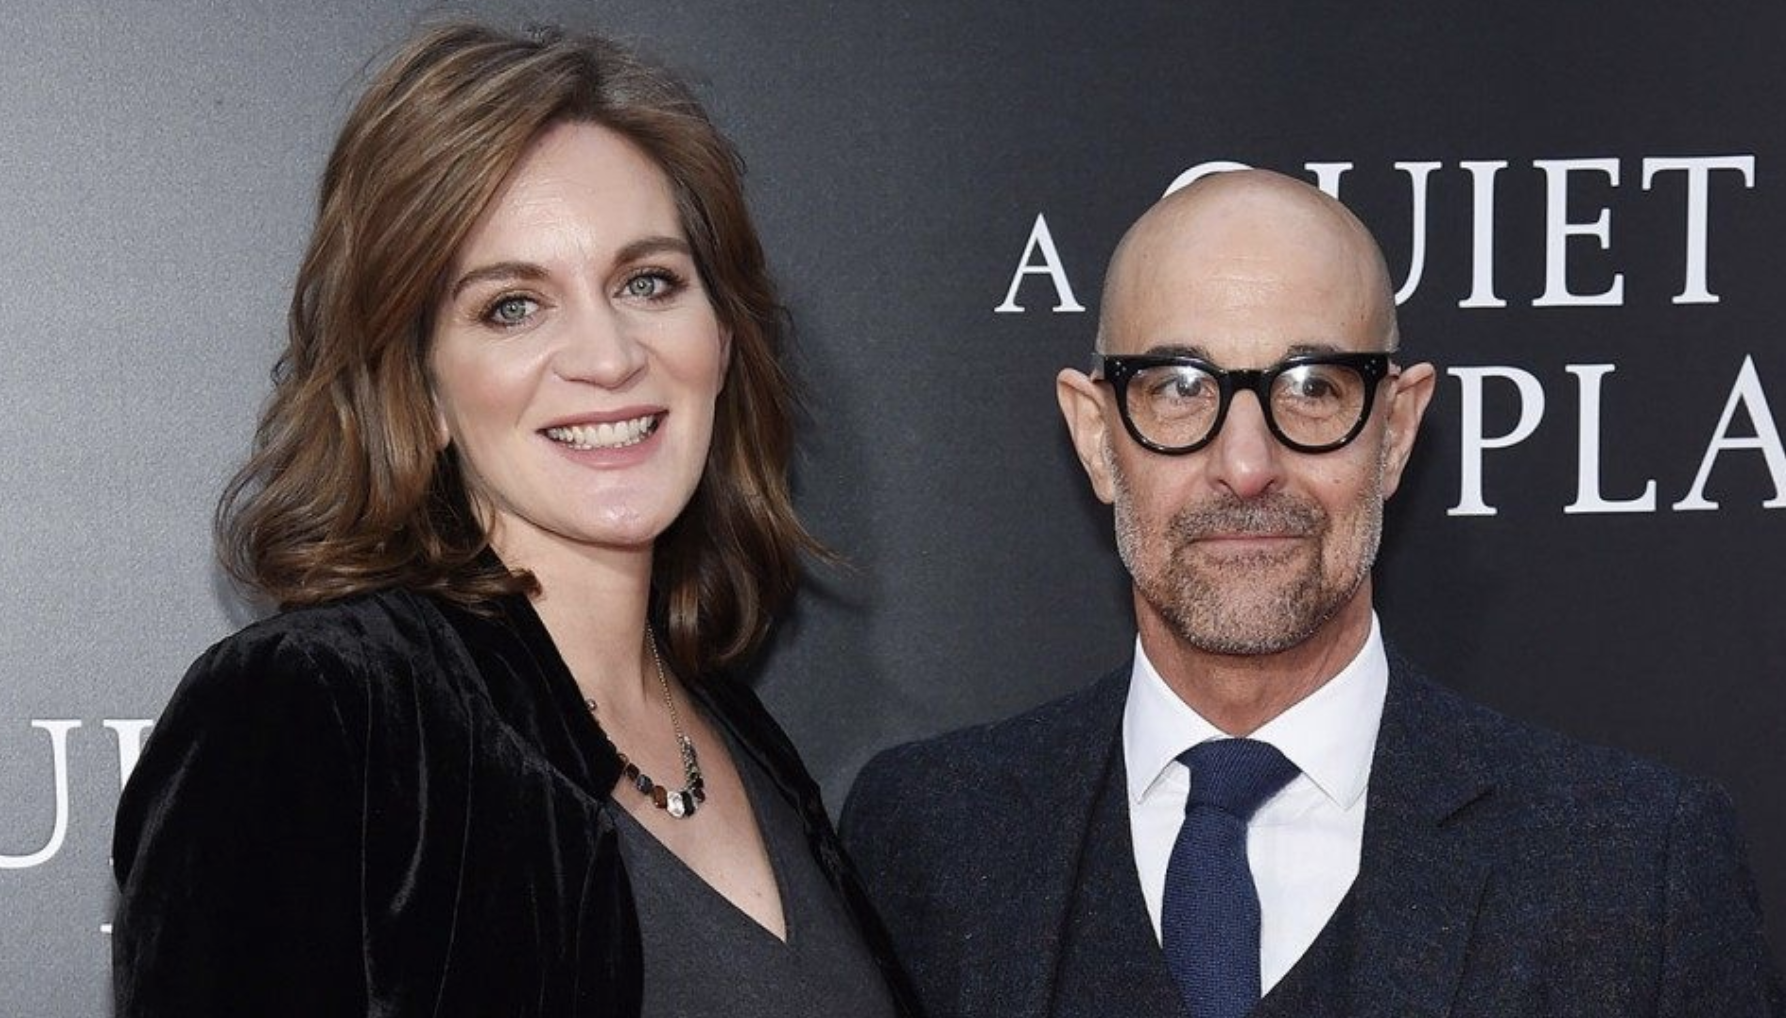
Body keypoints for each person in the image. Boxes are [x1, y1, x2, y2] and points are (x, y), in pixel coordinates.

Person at [112, 22, 915, 1018]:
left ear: (720, 333)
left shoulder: (741, 738)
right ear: (422, 388)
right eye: (512, 306)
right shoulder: (323, 712)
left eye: (646, 281)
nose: (609, 354)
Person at [841, 170, 1784, 1018]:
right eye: (1178, 388)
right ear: (1096, 436)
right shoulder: (928, 836)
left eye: (1313, 389)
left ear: (1399, 429)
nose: (1246, 467)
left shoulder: (1631, 872)